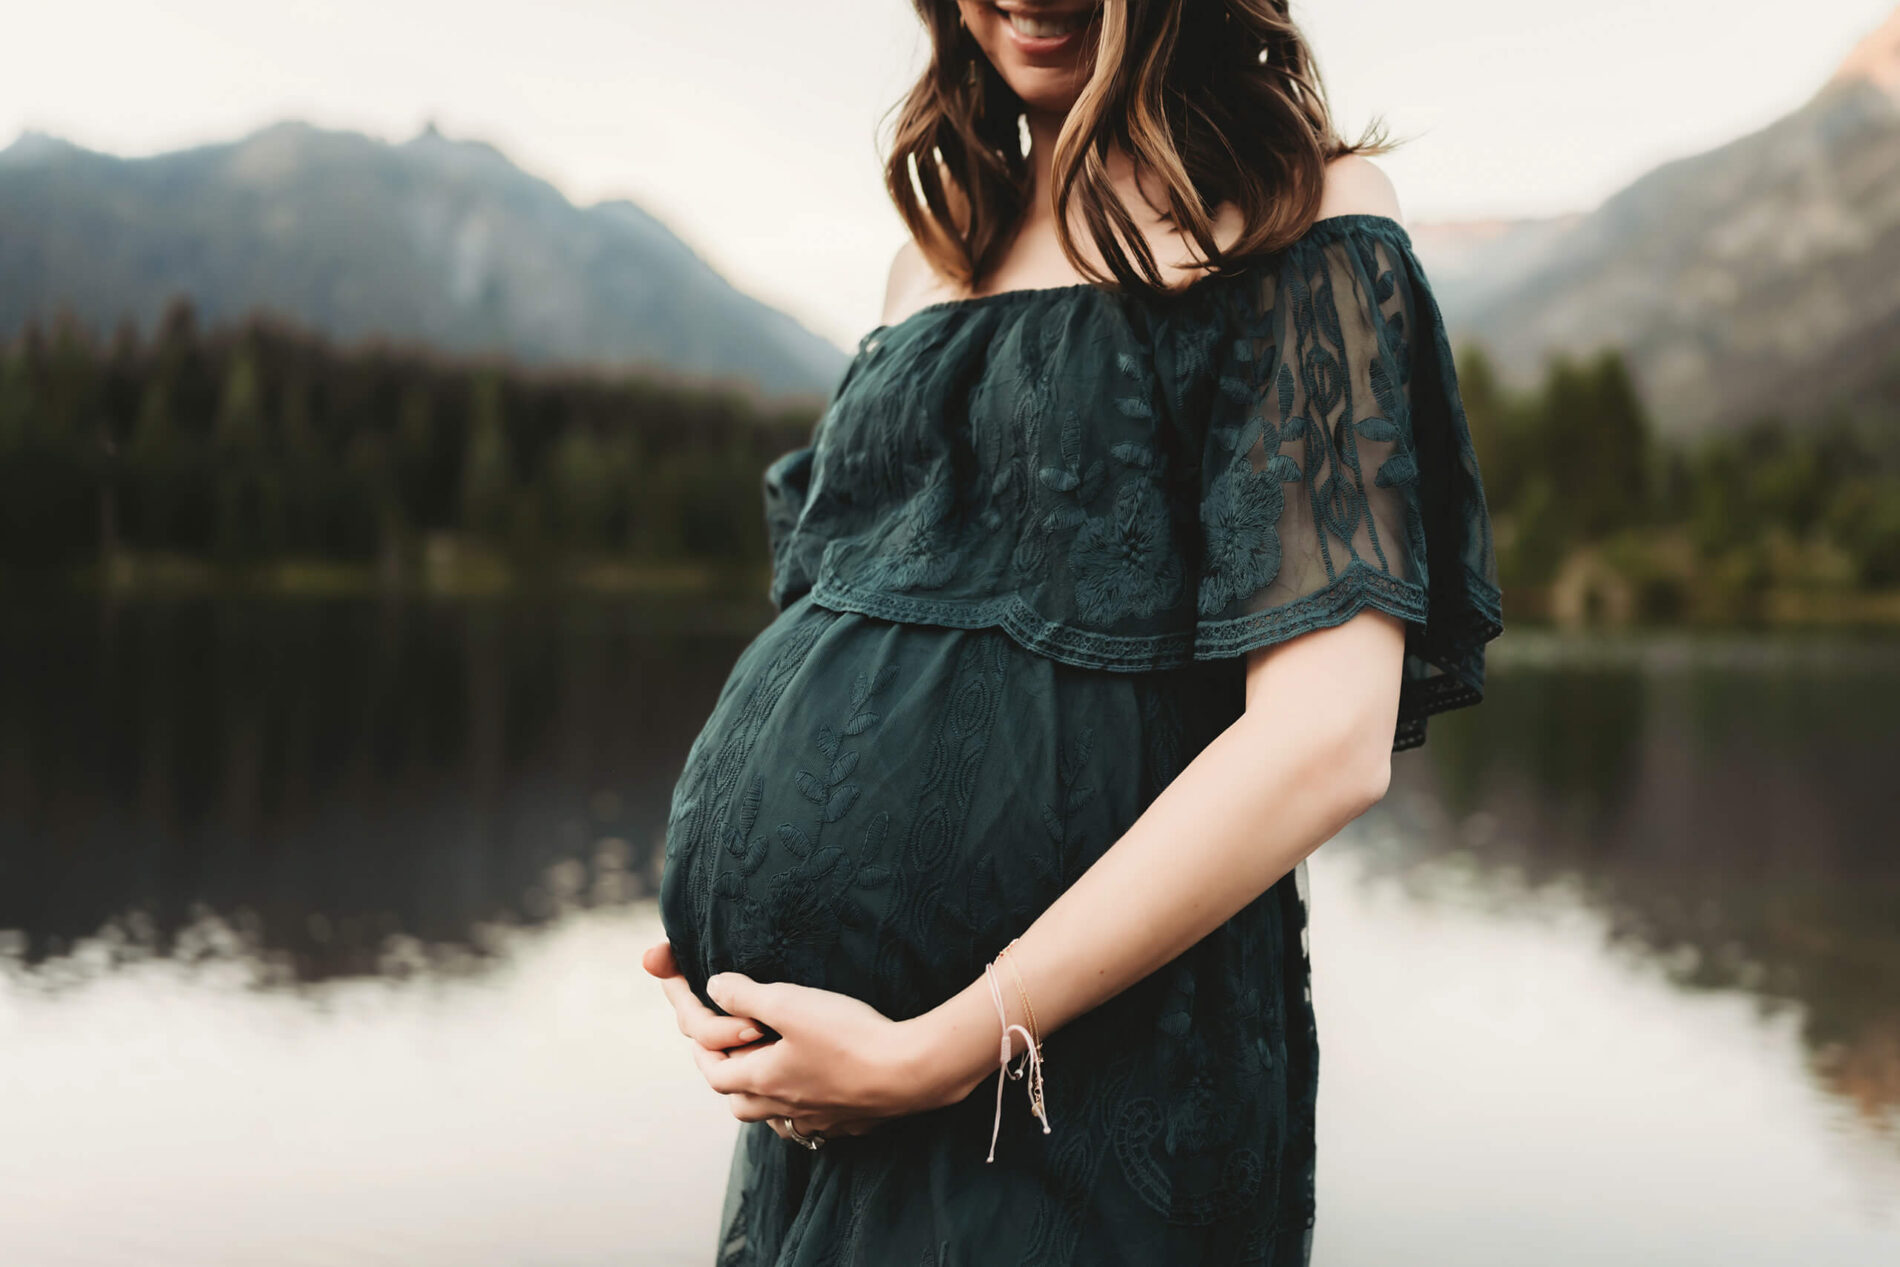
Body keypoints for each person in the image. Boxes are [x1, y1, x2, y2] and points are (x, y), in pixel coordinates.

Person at [643, 1, 1503, 1262]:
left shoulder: (1296, 213)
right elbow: (848, 627)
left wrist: (943, 1051)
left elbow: (1328, 738)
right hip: (839, 1099)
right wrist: (739, 920)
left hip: (1085, 1083)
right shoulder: (933, 253)